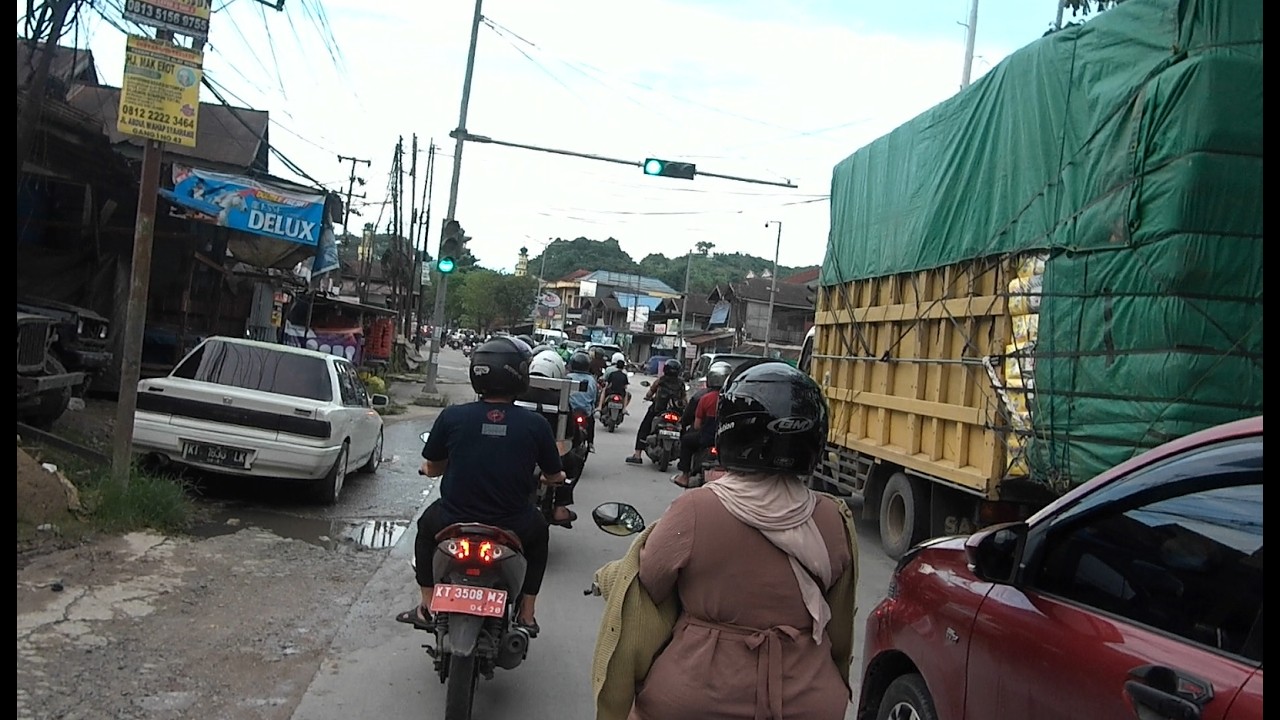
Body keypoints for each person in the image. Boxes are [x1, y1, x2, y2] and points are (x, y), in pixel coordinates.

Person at [599, 360, 857, 719]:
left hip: (696, 698)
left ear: (732, 430)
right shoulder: (834, 518)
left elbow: (649, 582)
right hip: (808, 700)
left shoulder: (695, 510)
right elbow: (840, 626)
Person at [396, 336, 567, 637]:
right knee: (539, 537)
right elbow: (554, 474)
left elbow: (433, 466)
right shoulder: (535, 424)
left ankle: (427, 605)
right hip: (514, 521)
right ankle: (527, 614)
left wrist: (430, 469)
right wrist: (553, 478)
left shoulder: (453, 416)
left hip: (453, 518)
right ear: (519, 375)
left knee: (424, 530)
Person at [671, 360, 731, 487]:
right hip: (727, 442)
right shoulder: (733, 398)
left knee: (686, 440)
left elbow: (697, 425)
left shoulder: (704, 398)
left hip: (706, 439)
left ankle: (684, 476)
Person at [625, 359, 687, 465]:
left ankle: (637, 455)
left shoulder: (660, 380)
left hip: (658, 410)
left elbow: (650, 392)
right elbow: (684, 398)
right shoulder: (681, 383)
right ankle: (684, 460)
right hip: (676, 412)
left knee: (645, 427)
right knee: (684, 431)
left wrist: (648, 397)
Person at [566, 351, 599, 452]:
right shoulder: (592, 380)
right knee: (591, 421)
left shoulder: (568, 377)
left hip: (569, 410)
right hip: (585, 411)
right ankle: (590, 443)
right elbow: (594, 397)